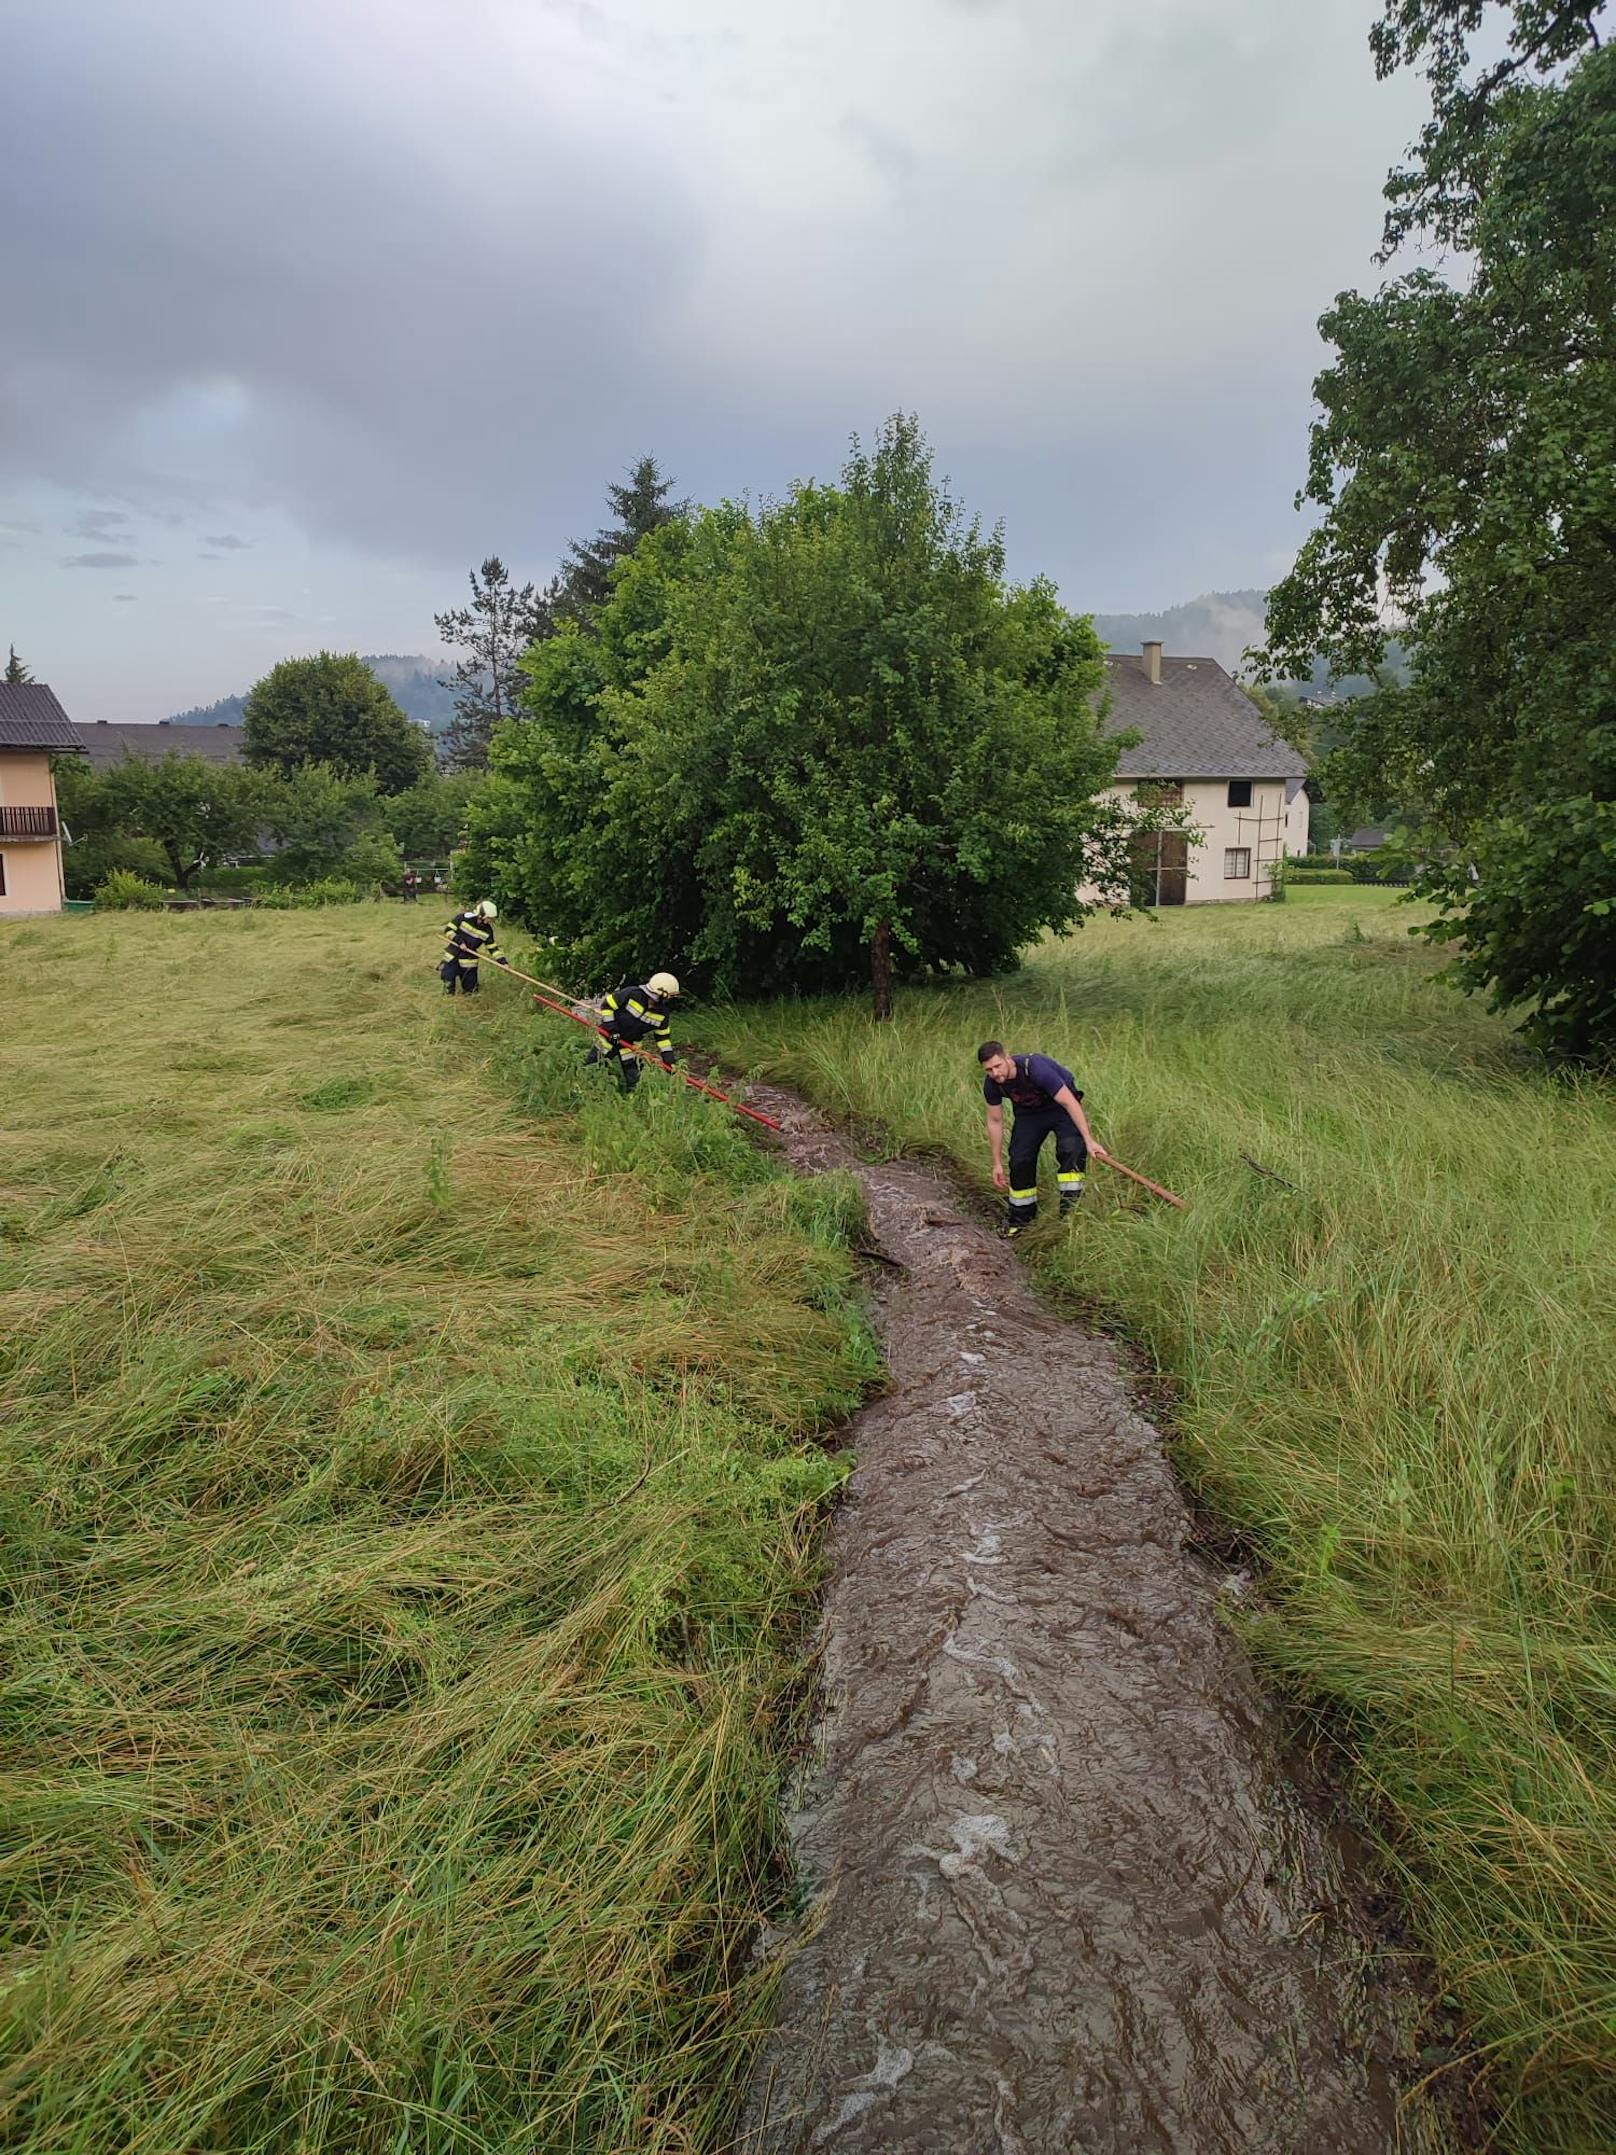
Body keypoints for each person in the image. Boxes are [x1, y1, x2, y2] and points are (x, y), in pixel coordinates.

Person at [977, 1039, 1107, 1235]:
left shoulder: (1034, 1067)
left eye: (998, 1066)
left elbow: (1069, 1103)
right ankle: (1021, 1223)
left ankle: (1070, 1218)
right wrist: (996, 1163)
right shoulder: (992, 1084)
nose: (995, 1073)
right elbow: (995, 1121)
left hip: (1060, 1107)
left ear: (1008, 1059)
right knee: (1020, 1160)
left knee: (1070, 1150)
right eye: (989, 1070)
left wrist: (1089, 1140)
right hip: (1029, 1113)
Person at [586, 973, 680, 1091]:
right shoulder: (632, 994)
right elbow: (607, 1005)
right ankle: (582, 1089)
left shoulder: (662, 1013)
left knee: (634, 1077)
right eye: (669, 996)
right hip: (608, 1038)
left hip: (631, 1045)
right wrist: (612, 1030)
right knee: (592, 1065)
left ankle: (632, 1100)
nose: (670, 999)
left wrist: (669, 1061)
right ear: (661, 993)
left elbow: (663, 1039)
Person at [440, 899, 507, 995]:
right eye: (489, 918)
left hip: (469, 961)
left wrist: (503, 962)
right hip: (452, 956)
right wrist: (460, 942)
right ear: (481, 915)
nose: (491, 921)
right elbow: (448, 930)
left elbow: (492, 948)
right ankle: (449, 999)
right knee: (448, 981)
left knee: (471, 990)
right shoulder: (462, 918)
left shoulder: (487, 931)